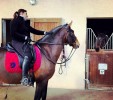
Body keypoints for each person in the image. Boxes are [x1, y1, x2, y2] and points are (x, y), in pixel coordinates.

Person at [10, 9, 48, 86]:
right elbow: (13, 33)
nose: (27, 15)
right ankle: (24, 78)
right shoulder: (15, 21)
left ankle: (31, 76)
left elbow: (33, 30)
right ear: (21, 13)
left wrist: (44, 33)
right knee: (27, 55)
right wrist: (24, 37)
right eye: (26, 14)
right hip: (17, 42)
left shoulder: (24, 23)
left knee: (33, 52)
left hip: (24, 43)